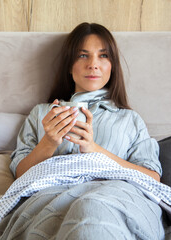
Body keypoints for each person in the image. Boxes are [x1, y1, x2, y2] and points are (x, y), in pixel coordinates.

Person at [10, 22, 162, 181]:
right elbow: (19, 175)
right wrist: (48, 143)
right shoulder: (41, 113)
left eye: (103, 55)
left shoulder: (130, 120)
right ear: (69, 66)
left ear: (113, 66)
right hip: (52, 197)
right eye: (83, 55)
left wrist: (94, 150)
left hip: (109, 198)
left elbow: (153, 178)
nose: (93, 65)